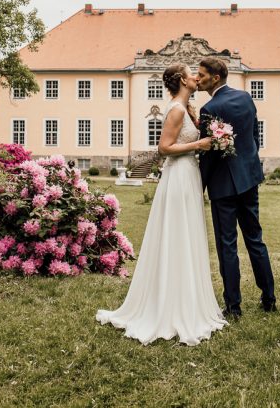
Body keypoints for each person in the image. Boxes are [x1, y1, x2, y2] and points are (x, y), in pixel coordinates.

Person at [96, 63, 227, 345]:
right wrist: (198, 145)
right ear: (182, 80)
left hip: (188, 174)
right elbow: (164, 147)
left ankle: (185, 298)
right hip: (178, 175)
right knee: (177, 234)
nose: (196, 77)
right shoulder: (176, 109)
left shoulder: (186, 107)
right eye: (192, 74)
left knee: (186, 234)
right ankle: (171, 303)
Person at [196, 57, 276, 317]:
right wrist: (249, 166)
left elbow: (208, 155)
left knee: (227, 245)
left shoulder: (209, 108)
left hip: (223, 186)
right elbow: (254, 137)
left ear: (215, 78)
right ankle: (269, 298)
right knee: (255, 239)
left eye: (201, 75)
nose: (198, 79)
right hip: (249, 179)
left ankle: (233, 306)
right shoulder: (245, 98)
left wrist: (199, 185)